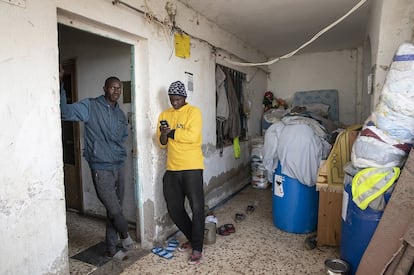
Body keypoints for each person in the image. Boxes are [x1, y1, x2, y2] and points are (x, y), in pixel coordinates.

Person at [59, 65, 135, 261]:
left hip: (119, 164)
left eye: (119, 88)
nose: (116, 91)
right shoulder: (90, 106)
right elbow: (64, 112)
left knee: (114, 209)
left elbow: (124, 135)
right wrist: (60, 84)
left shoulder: (119, 113)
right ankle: (125, 236)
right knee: (115, 208)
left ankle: (111, 248)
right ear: (105, 88)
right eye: (113, 87)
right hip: (101, 166)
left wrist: (119, 149)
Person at [157, 81, 205, 265]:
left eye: (177, 99)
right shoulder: (165, 114)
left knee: (197, 207)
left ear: (185, 97)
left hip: (192, 167)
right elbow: (162, 142)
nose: (174, 103)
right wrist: (164, 133)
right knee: (174, 208)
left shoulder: (194, 112)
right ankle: (192, 236)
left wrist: (171, 133)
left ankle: (198, 247)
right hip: (172, 168)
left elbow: (192, 136)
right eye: (172, 100)